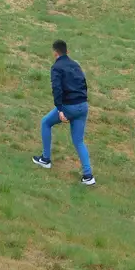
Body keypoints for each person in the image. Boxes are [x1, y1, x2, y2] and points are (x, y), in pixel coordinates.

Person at [33, 40, 95, 186]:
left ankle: (46, 159)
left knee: (46, 123)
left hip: (68, 107)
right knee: (79, 141)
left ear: (55, 52)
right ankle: (88, 176)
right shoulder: (76, 65)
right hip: (83, 106)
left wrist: (60, 109)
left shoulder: (56, 67)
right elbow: (84, 84)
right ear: (67, 52)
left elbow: (57, 89)